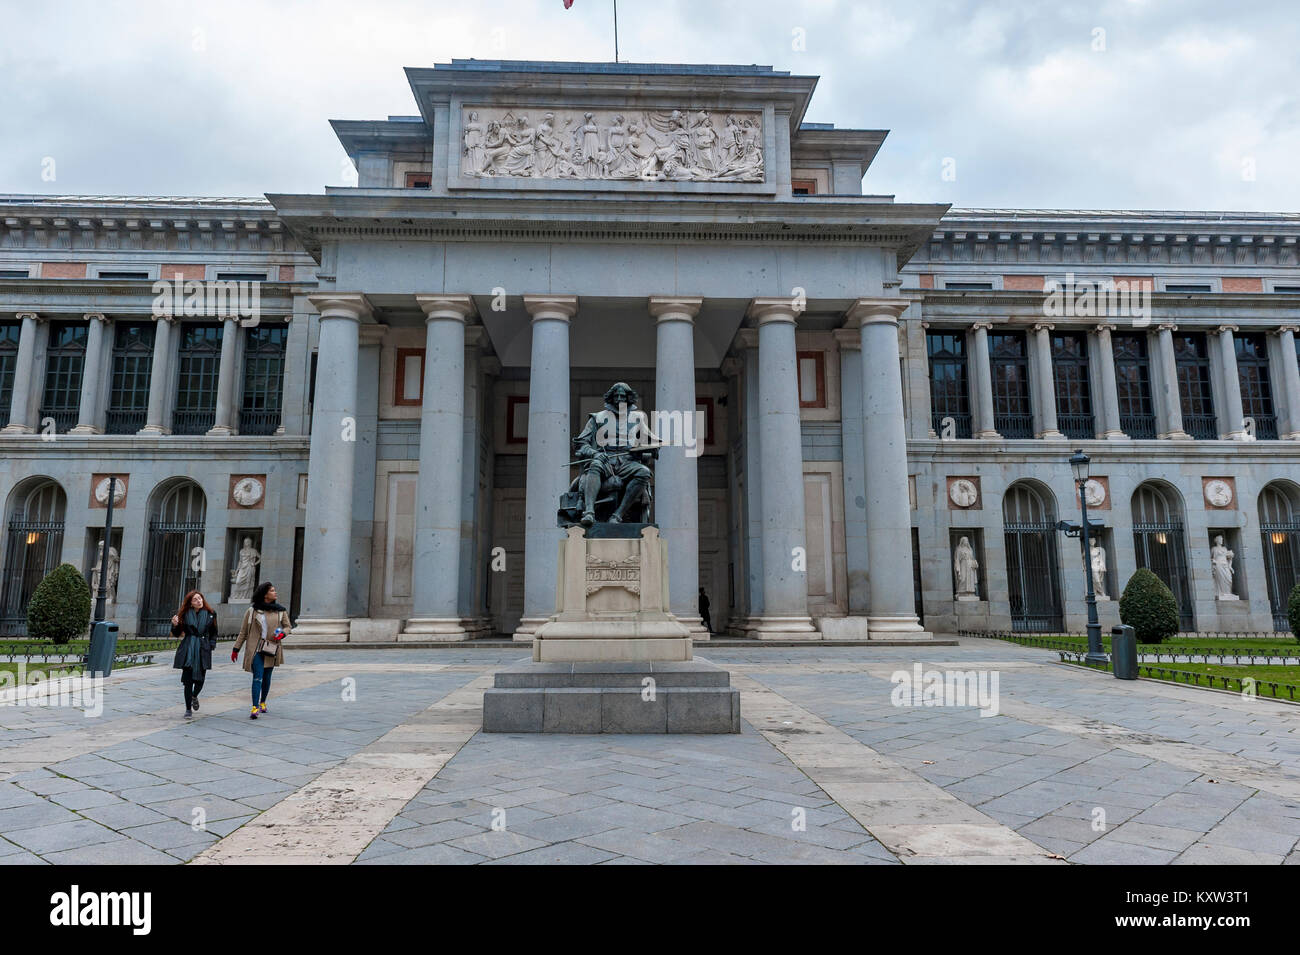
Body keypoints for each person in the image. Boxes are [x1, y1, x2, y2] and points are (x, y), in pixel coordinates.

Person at [232, 581, 291, 719]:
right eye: (272, 590)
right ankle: (254, 707)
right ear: (265, 594)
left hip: (271, 647)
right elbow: (243, 632)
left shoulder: (280, 611)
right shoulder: (252, 611)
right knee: (257, 677)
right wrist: (236, 648)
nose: (275, 593)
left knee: (267, 678)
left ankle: (263, 701)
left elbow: (288, 627)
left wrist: (282, 633)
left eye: (274, 590)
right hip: (255, 649)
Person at [170, 589, 217, 719]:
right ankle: (188, 709)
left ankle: (194, 695)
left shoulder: (211, 614)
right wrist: (174, 625)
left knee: (200, 680)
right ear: (191, 603)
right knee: (188, 681)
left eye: (200, 598)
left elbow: (214, 632)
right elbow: (176, 633)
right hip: (188, 649)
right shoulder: (184, 615)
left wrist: (211, 645)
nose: (199, 601)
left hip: (203, 648)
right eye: (195, 599)